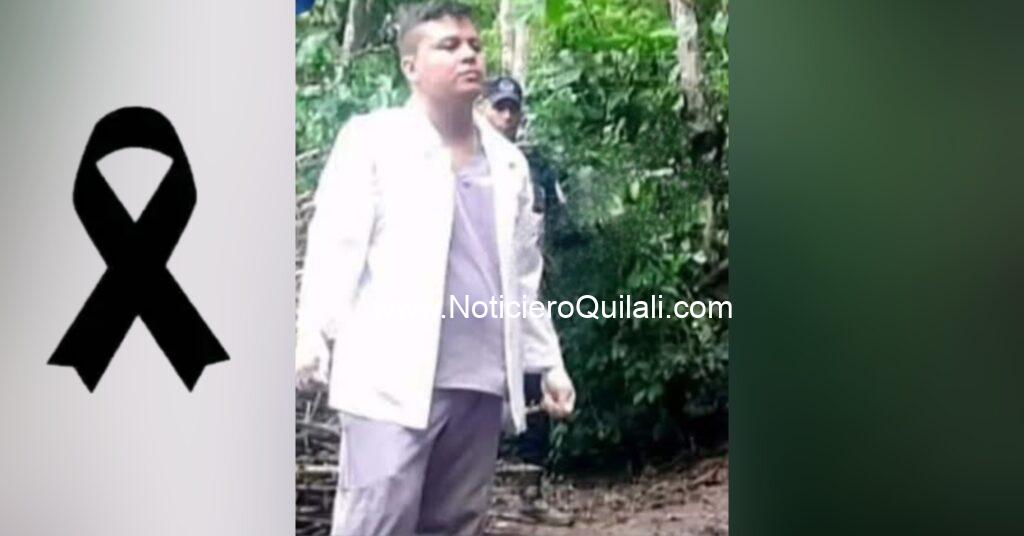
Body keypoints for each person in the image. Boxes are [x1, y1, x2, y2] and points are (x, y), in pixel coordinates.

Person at [295, 3, 576, 535]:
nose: (469, 55)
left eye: (474, 45)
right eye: (448, 46)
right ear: (411, 66)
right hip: (388, 381)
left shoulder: (508, 163)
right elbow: (335, 244)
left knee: (454, 525)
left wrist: (548, 362)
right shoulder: (373, 141)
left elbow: (522, 277)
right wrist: (313, 333)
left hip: (480, 381)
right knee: (376, 522)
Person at [480, 76, 574, 527]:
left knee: (536, 390)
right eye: (498, 107)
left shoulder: (532, 171)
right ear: (482, 109)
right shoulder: (459, 165)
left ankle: (529, 494)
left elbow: (536, 246)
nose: (506, 116)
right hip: (469, 311)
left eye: (512, 108)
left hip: (521, 298)